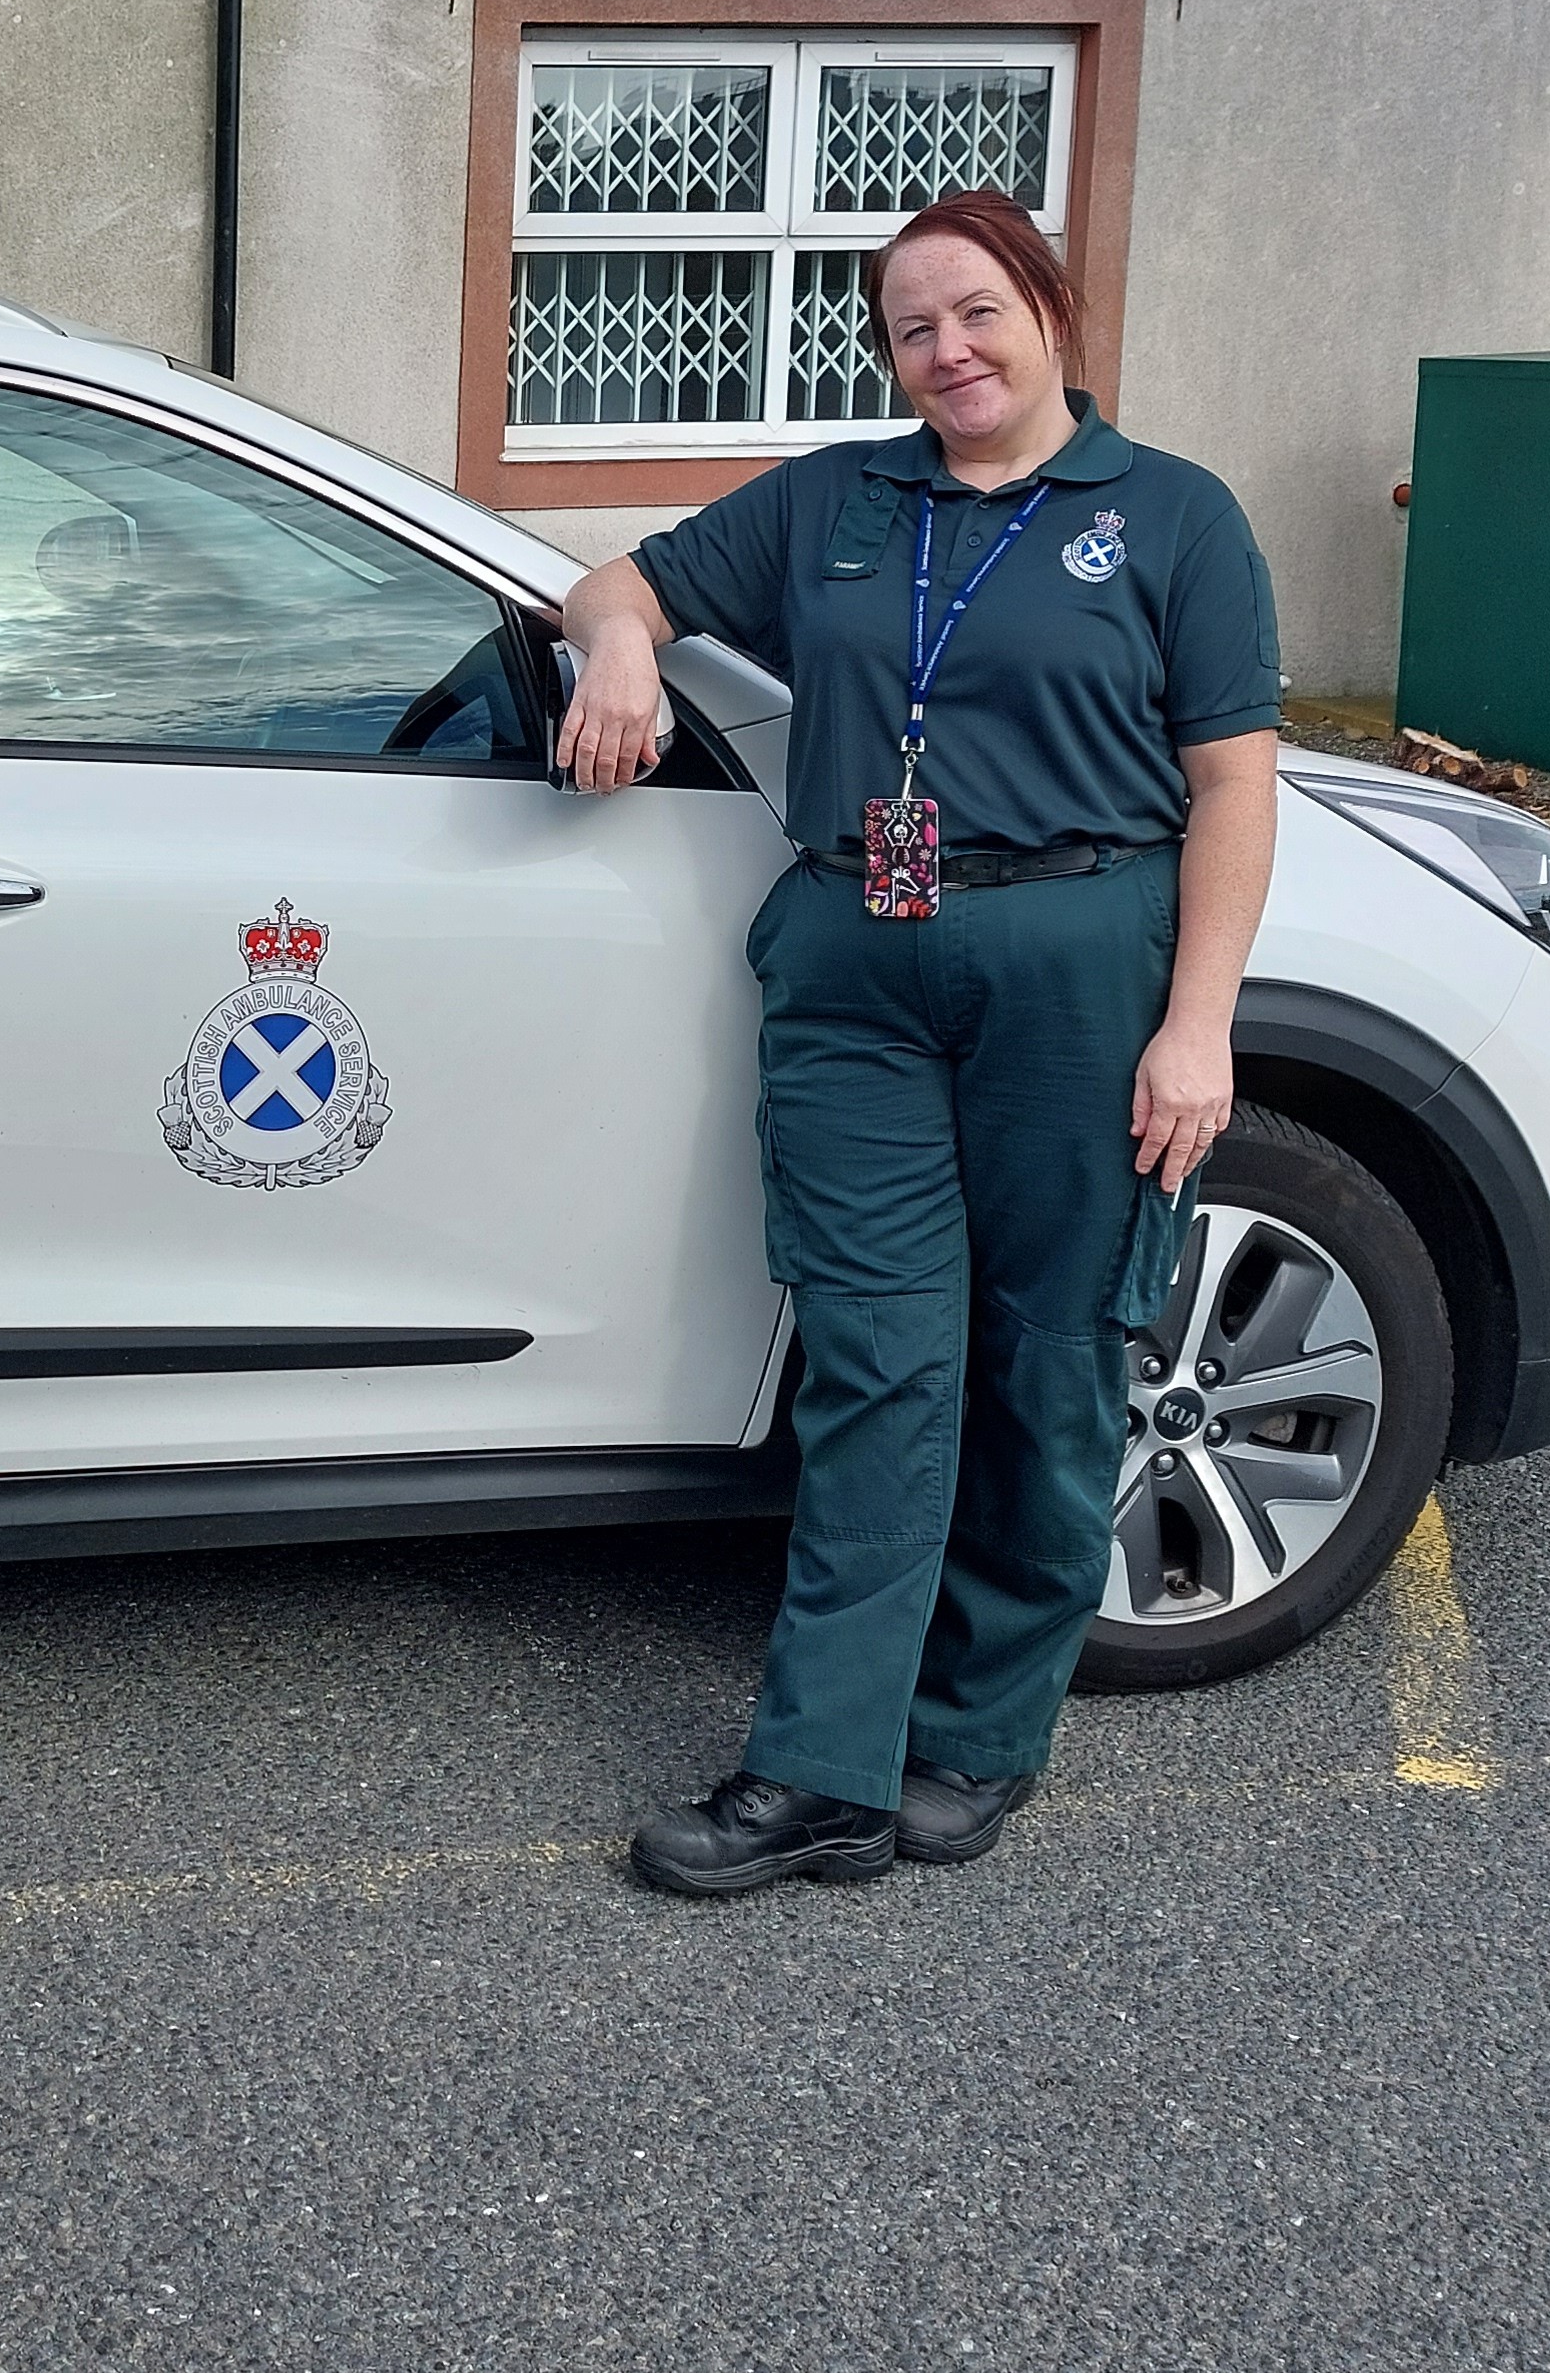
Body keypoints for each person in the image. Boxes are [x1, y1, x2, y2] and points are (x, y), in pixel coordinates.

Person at [556, 188, 1280, 1895]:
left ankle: (976, 1734)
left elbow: (1235, 783)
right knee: (881, 1354)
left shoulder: (1172, 518)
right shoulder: (838, 502)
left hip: (1081, 958)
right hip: (857, 963)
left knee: (1046, 1355)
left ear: (1050, 311)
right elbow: (624, 581)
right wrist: (619, 656)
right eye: (909, 329)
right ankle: (818, 1767)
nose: (946, 351)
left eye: (977, 313)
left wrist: (1199, 1027)